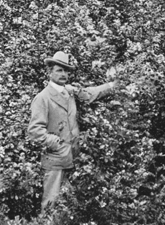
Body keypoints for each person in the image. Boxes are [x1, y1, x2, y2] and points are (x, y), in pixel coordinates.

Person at [27, 51, 117, 213]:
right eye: (59, 70)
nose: (63, 74)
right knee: (51, 203)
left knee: (66, 204)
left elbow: (90, 93)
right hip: (55, 158)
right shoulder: (43, 98)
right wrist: (56, 143)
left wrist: (112, 86)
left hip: (71, 155)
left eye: (66, 70)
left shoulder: (69, 91)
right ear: (50, 72)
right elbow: (34, 131)